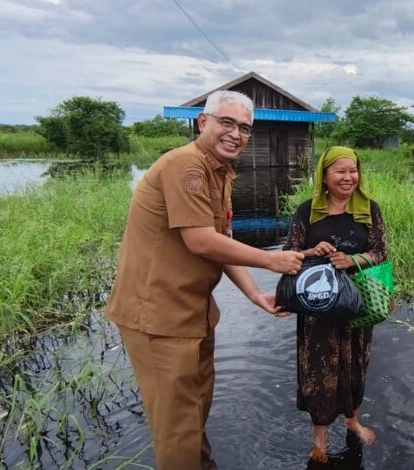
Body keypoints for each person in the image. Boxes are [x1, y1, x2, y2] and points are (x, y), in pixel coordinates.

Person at [105, 90, 304, 470]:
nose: (236, 134)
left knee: (194, 413)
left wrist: (255, 294)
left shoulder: (219, 172)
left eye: (244, 128)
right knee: (177, 428)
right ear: (203, 122)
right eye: (227, 123)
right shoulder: (186, 165)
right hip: (159, 316)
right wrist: (271, 260)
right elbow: (200, 241)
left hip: (192, 312)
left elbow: (220, 241)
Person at [283, 146, 388, 463]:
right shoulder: (307, 211)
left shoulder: (369, 209)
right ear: (324, 176)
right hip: (317, 307)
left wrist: (353, 259)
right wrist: (312, 251)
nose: (348, 177)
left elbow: (380, 252)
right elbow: (289, 254)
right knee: (319, 370)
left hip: (358, 303)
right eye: (340, 171)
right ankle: (320, 438)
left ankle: (353, 421)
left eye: (353, 171)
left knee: (355, 364)